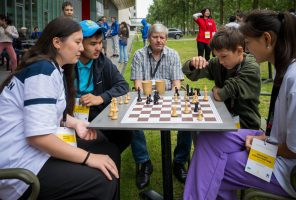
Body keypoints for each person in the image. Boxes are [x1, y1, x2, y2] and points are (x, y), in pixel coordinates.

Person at [184, 9, 296, 200]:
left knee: (212, 167)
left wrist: (261, 143)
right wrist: (263, 138)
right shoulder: (288, 69)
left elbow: (295, 150)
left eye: (247, 43)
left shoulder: (295, 79)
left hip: (287, 166)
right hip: (270, 141)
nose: (246, 49)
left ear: (267, 39)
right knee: (207, 139)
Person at [0, 17, 119, 200]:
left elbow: (49, 113)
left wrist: (76, 123)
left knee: (107, 148)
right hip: (20, 166)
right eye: (78, 42)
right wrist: (88, 158)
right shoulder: (42, 71)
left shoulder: (52, 68)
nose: (81, 48)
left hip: (32, 153)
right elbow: (38, 137)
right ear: (57, 42)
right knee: (102, 179)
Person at [131, 23, 191, 188]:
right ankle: (144, 163)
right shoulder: (138, 55)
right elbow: (137, 85)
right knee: (132, 123)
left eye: (162, 37)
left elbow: (177, 85)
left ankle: (179, 162)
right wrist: (156, 87)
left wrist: (165, 92)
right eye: (155, 37)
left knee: (188, 121)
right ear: (149, 37)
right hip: (145, 97)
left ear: (166, 38)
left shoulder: (173, 54)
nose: (159, 40)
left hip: (169, 98)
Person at [182, 27, 261, 130]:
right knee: (194, 125)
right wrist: (192, 64)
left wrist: (216, 90)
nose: (220, 61)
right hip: (221, 117)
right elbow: (190, 73)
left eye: (223, 56)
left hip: (245, 125)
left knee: (203, 136)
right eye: (217, 56)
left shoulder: (251, 67)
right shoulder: (219, 62)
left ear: (239, 50)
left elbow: (221, 94)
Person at [75, 19, 131, 154]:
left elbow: (123, 85)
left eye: (100, 43)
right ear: (79, 44)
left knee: (126, 134)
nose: (99, 48)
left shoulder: (102, 60)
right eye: (93, 44)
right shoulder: (67, 62)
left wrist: (101, 98)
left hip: (96, 114)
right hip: (71, 118)